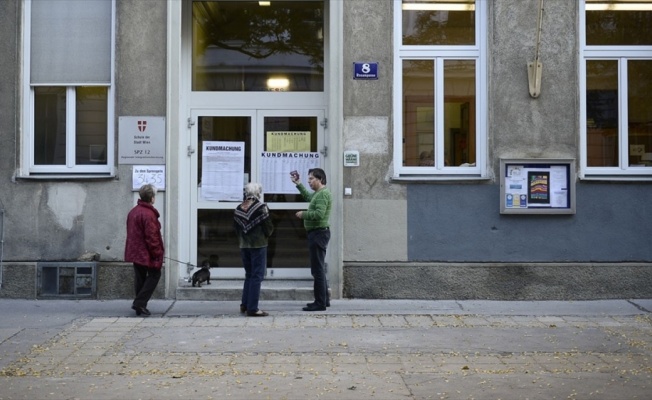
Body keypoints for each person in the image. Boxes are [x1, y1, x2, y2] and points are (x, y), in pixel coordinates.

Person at [291, 168, 332, 311]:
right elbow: (309, 198)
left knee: (317, 270)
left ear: (320, 179)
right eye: (308, 179)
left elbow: (319, 214)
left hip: (318, 234)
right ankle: (324, 300)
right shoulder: (319, 194)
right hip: (317, 233)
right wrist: (299, 184)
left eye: (311, 179)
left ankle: (320, 303)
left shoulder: (322, 195)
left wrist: (304, 214)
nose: (309, 182)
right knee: (319, 268)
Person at [234, 182, 274, 317]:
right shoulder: (261, 207)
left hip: (243, 245)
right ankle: (253, 308)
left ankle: (244, 304)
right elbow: (268, 227)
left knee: (249, 275)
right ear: (258, 193)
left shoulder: (239, 208)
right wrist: (267, 235)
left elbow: (236, 229)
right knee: (257, 276)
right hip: (258, 245)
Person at [125, 184, 165, 317]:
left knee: (140, 278)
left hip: (135, 250)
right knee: (154, 274)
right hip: (145, 251)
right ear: (152, 198)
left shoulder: (134, 211)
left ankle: (139, 306)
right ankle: (139, 303)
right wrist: (157, 253)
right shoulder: (148, 214)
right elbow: (152, 237)